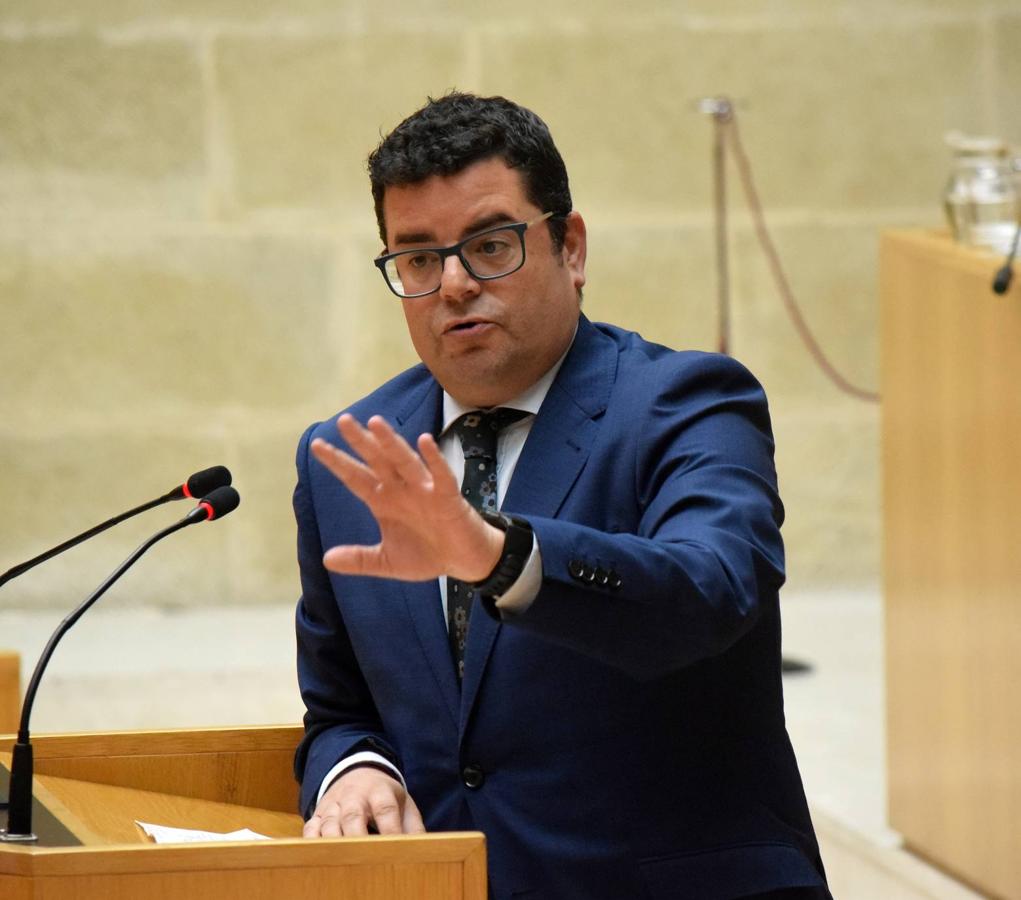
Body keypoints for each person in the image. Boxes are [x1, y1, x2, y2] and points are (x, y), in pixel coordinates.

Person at [293, 92, 830, 900]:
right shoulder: (355, 454)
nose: (453, 285)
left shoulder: (686, 404)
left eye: (490, 245)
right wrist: (351, 769)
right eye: (417, 258)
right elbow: (338, 708)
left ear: (569, 247)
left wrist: (498, 556)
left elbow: (710, 592)